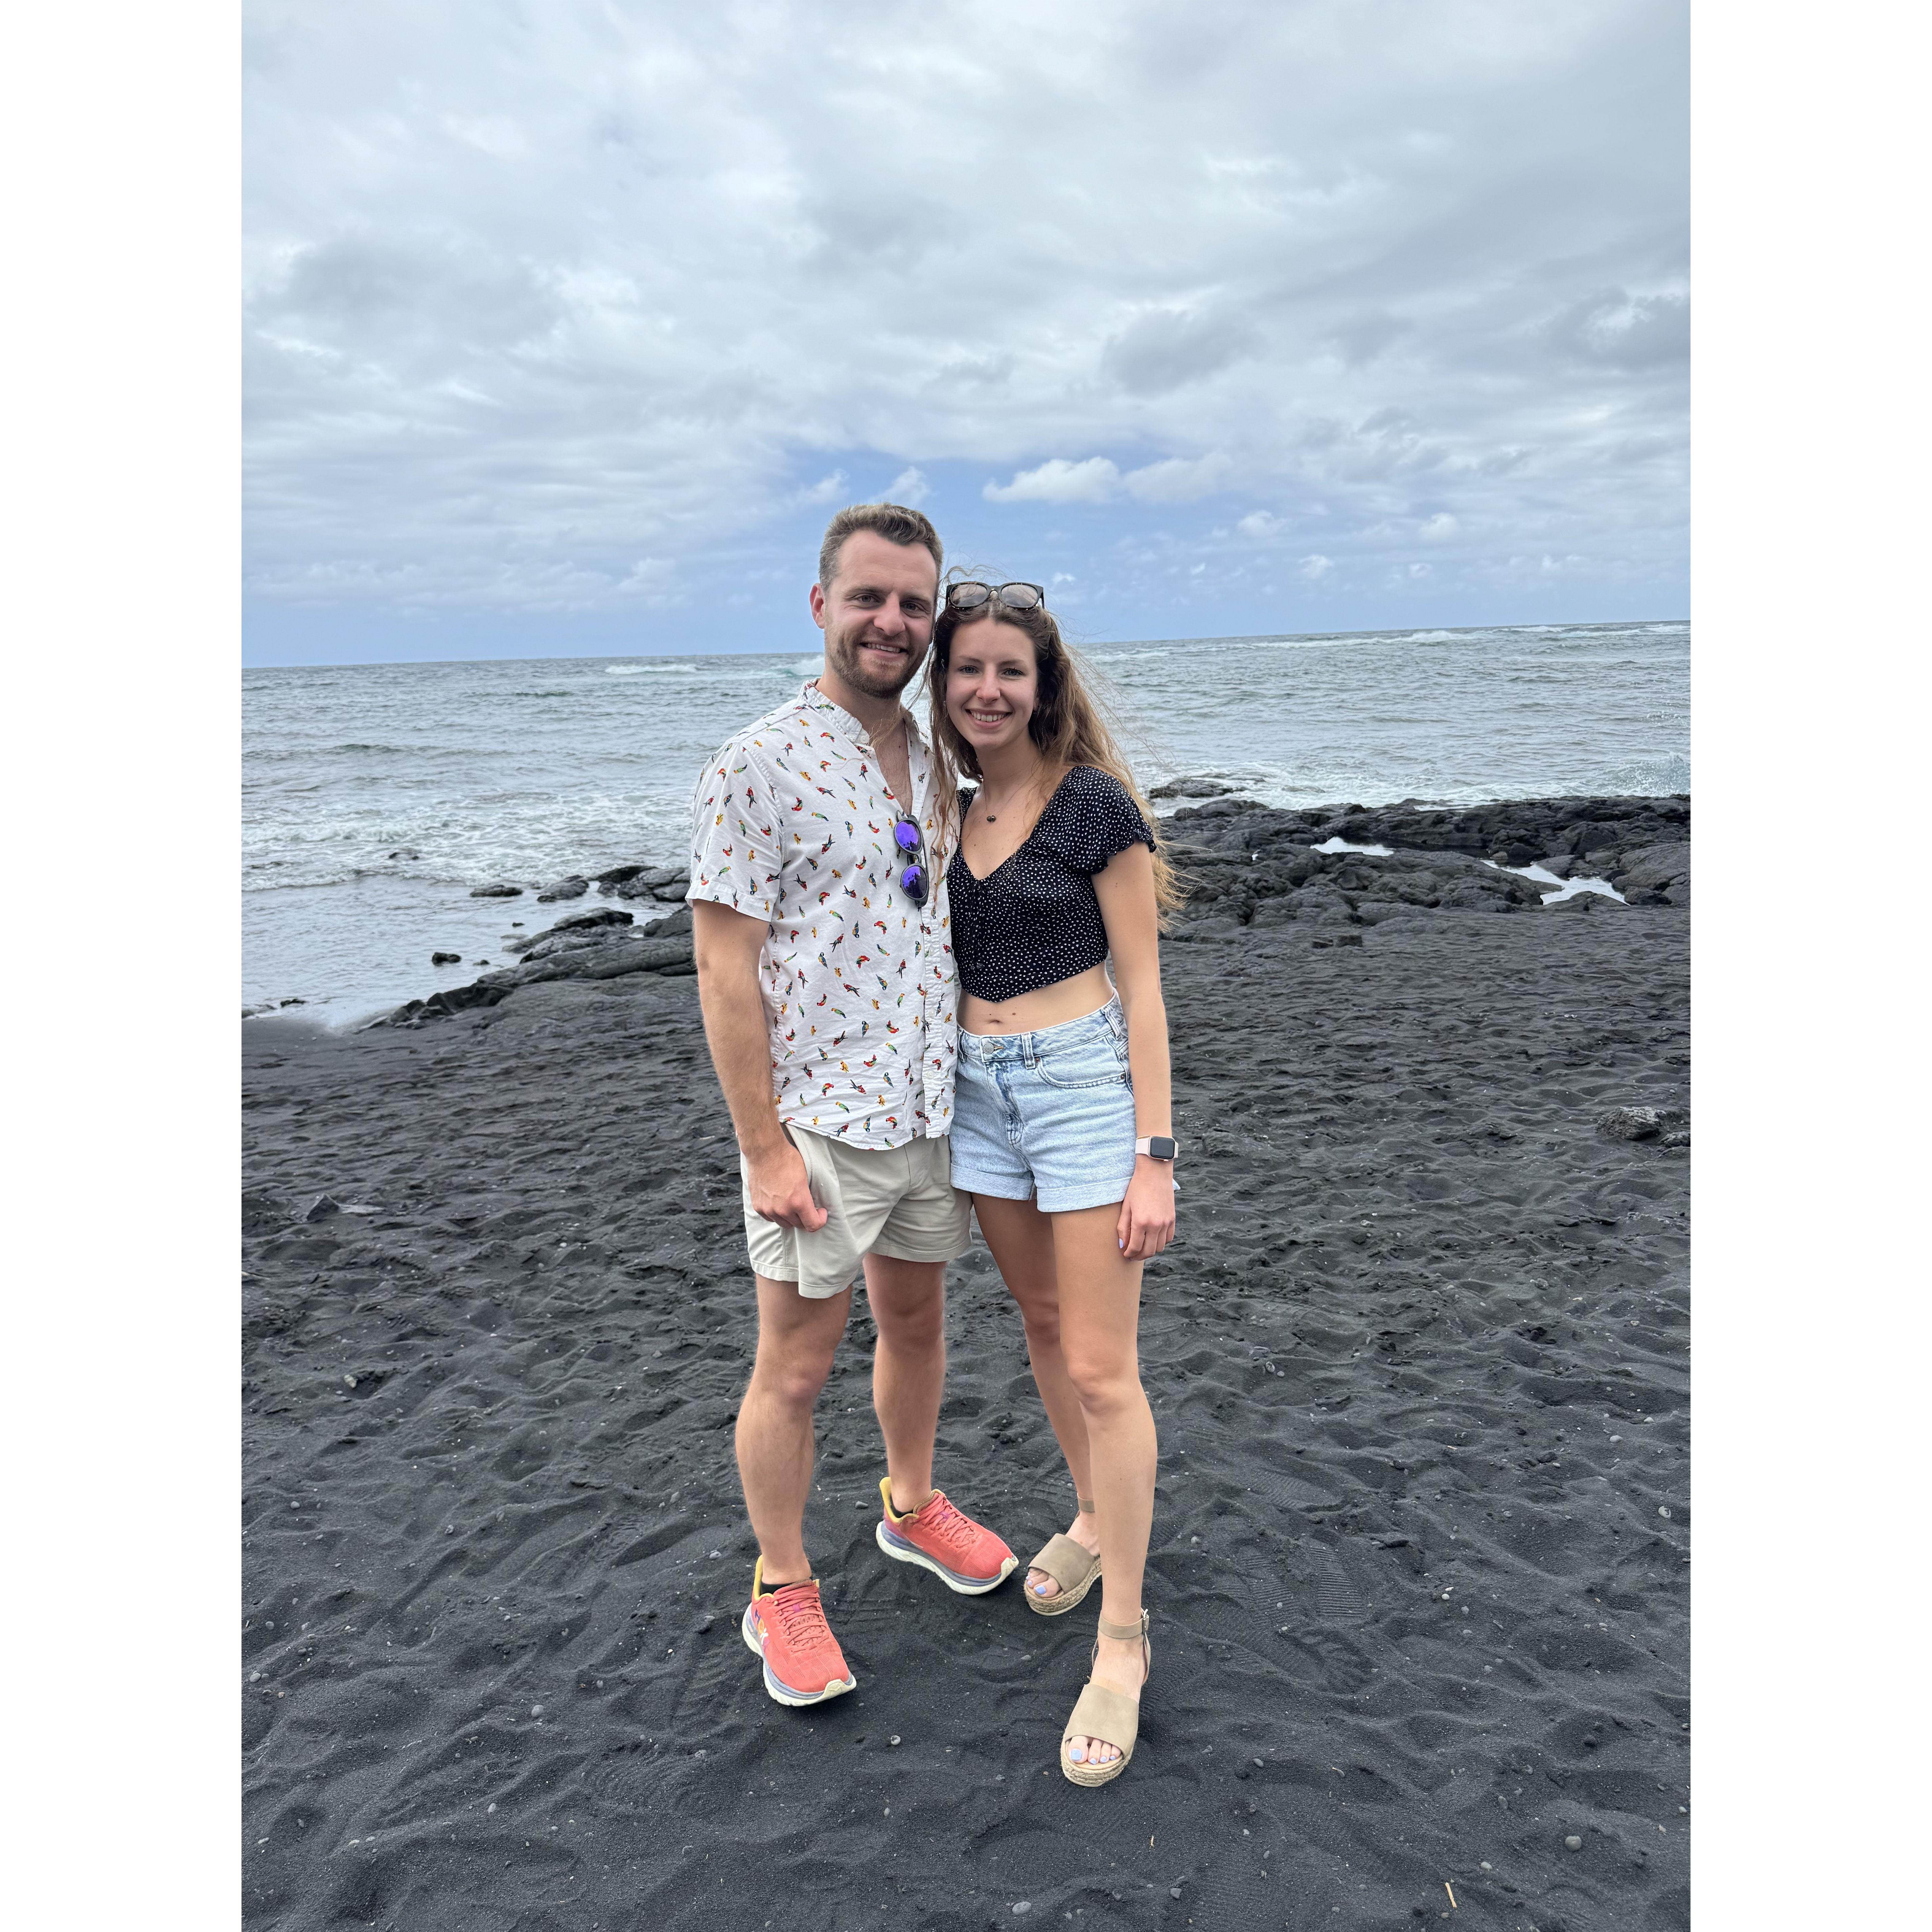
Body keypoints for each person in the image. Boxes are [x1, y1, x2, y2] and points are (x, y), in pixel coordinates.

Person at [688, 505, 1017, 1711]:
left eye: (914, 604)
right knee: (795, 1366)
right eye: (871, 597)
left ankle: (911, 1504)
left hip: (931, 1107)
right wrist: (762, 1147)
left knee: (920, 1328)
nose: (894, 622)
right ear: (821, 605)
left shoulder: (939, 759)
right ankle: (780, 1589)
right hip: (818, 1121)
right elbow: (725, 968)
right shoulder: (756, 765)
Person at [926, 578, 1182, 1786]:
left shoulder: (1094, 808)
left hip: (1083, 1089)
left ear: (1044, 683)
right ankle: (1089, 1515)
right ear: (947, 683)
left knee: (1101, 1364)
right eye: (967, 669)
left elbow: (1145, 989)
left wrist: (1154, 1154)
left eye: (1008, 672)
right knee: (1038, 1326)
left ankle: (1122, 1638)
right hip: (979, 1094)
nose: (986, 689)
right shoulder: (951, 807)